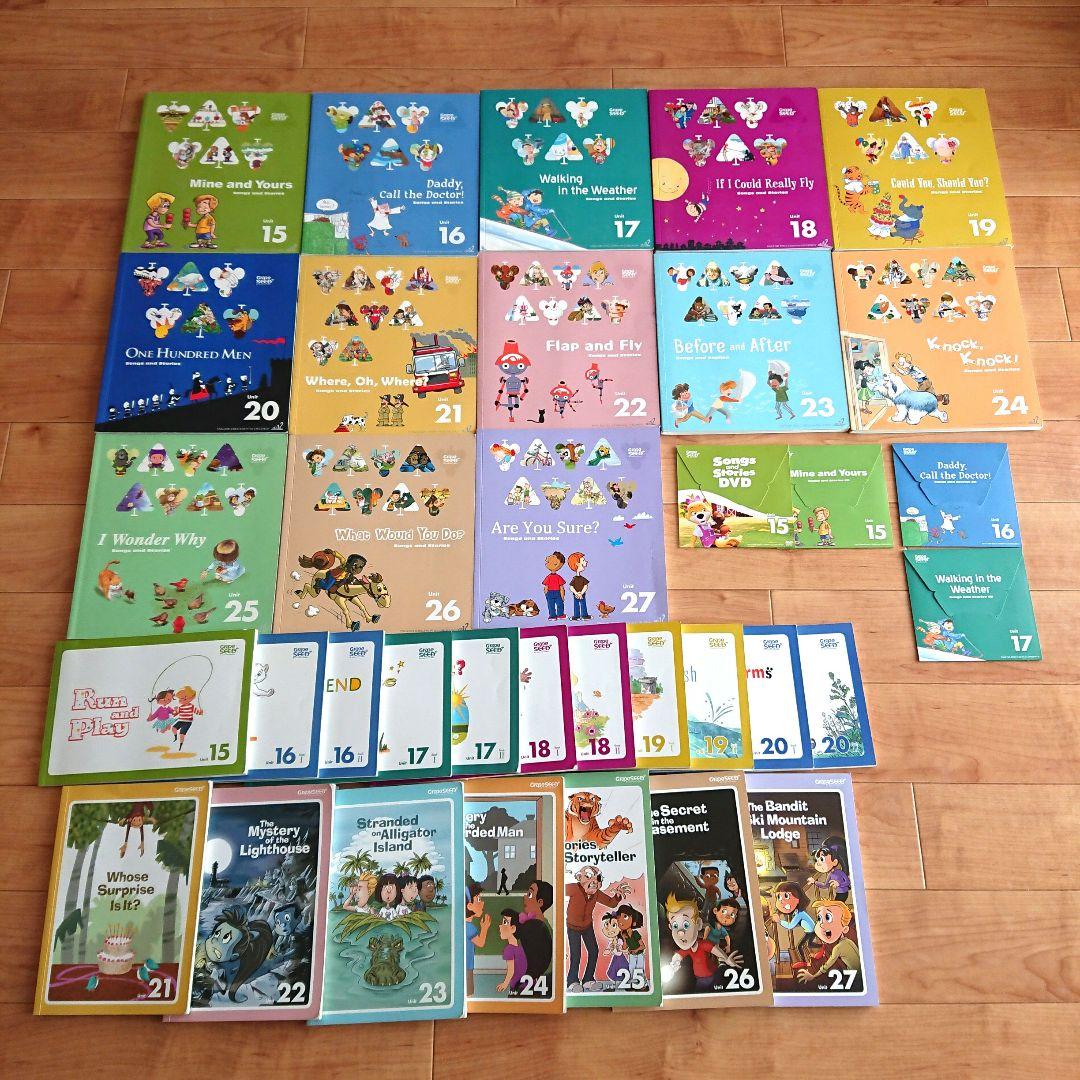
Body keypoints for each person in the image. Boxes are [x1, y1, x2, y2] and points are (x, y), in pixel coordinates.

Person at [565, 865, 628, 989]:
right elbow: (558, 891)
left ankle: (588, 979)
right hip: (573, 927)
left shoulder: (596, 894)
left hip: (587, 926)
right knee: (576, 954)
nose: (594, 881)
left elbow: (611, 903)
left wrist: (617, 896)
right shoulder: (573, 888)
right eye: (588, 876)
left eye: (598, 878)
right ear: (579, 877)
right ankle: (572, 981)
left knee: (594, 951)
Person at [465, 888, 491, 995]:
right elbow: (480, 943)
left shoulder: (462, 925)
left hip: (462, 965)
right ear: (469, 906)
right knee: (469, 993)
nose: (482, 903)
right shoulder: (469, 928)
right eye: (479, 899)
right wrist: (485, 928)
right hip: (467, 966)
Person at [496, 910, 528, 994]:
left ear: (513, 928)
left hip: (516, 987)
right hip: (526, 985)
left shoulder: (509, 949)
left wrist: (504, 984)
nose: (500, 926)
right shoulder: (521, 948)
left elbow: (511, 971)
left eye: (505, 922)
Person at [541, 551, 567, 620]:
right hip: (550, 593)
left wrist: (562, 596)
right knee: (551, 605)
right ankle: (552, 616)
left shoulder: (558, 577)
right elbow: (546, 586)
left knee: (560, 604)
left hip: (557, 593)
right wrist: (546, 593)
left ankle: (560, 614)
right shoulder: (548, 577)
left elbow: (561, 587)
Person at [567, 552, 591, 621]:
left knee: (583, 604)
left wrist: (581, 593)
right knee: (576, 604)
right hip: (576, 594)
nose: (586, 562)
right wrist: (576, 593)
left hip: (581, 594)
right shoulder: (574, 579)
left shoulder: (582, 578)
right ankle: (577, 616)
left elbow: (586, 586)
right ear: (577, 564)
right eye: (583, 560)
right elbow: (571, 587)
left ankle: (584, 615)